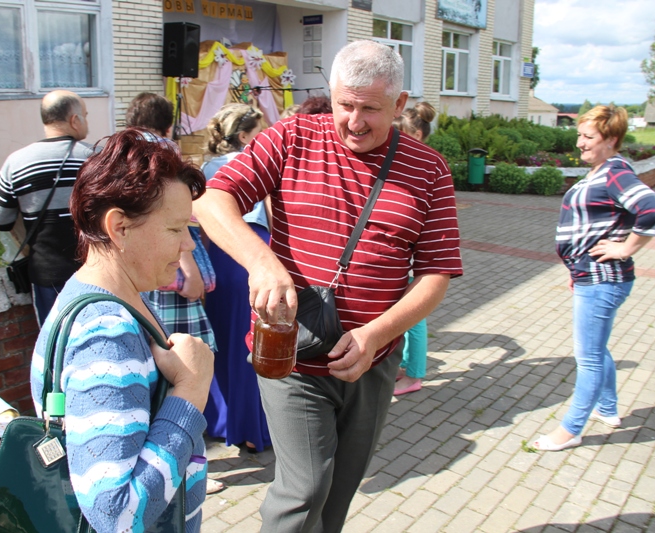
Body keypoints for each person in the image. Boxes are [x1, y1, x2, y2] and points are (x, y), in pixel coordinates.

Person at [194, 40, 462, 532]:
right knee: (305, 488)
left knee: (339, 490)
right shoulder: (292, 136)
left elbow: (435, 275)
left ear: (399, 104)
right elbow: (212, 201)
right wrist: (262, 262)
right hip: (288, 354)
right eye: (344, 105)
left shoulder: (429, 169)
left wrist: (375, 336)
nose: (354, 122)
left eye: (370, 109)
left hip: (371, 362)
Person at [29, 129, 214, 532]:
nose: (188, 245)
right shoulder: (105, 335)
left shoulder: (95, 295)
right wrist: (191, 390)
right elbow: (116, 515)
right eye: (175, 229)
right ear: (120, 227)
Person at [533, 105, 655, 451]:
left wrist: (625, 248)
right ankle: (608, 408)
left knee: (587, 356)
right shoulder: (602, 171)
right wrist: (576, 269)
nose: (580, 143)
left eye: (588, 137)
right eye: (579, 135)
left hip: (603, 279)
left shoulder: (614, 173)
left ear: (611, 139)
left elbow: (650, 208)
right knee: (596, 348)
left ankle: (570, 430)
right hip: (592, 276)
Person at [0, 90, 94, 327]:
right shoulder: (95, 159)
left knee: (53, 341)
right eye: (85, 116)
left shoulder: (16, 162)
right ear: (75, 120)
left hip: (47, 275)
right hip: (95, 273)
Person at [200, 104, 272, 453]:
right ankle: (252, 428)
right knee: (252, 341)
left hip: (219, 255)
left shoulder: (207, 168)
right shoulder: (258, 163)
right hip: (253, 250)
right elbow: (274, 215)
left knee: (223, 340)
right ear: (244, 136)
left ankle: (223, 421)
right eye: (260, 130)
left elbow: (201, 222)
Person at [126, 92, 217, 360]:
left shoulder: (124, 151)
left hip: (136, 261)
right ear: (168, 126)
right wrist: (190, 272)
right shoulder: (162, 152)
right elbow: (172, 216)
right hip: (167, 263)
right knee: (181, 357)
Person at [392, 101, 437, 396]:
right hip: (406, 255)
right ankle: (407, 365)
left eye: (398, 134)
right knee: (406, 316)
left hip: (414, 257)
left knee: (414, 318)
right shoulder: (410, 163)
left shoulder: (425, 167)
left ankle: (415, 375)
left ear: (416, 136)